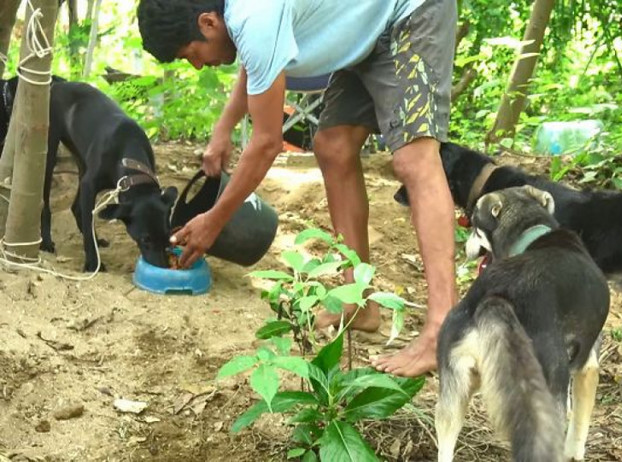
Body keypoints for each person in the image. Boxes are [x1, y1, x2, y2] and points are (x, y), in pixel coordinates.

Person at [137, 0, 458, 377]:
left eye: (190, 54)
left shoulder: (251, 14)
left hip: (410, 12)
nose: (196, 65)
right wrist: (223, 129)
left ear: (207, 22)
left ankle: (443, 330)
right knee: (333, 146)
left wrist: (214, 221)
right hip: (367, 28)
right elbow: (258, 62)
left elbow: (267, 142)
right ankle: (358, 302)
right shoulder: (241, 18)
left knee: (413, 158)